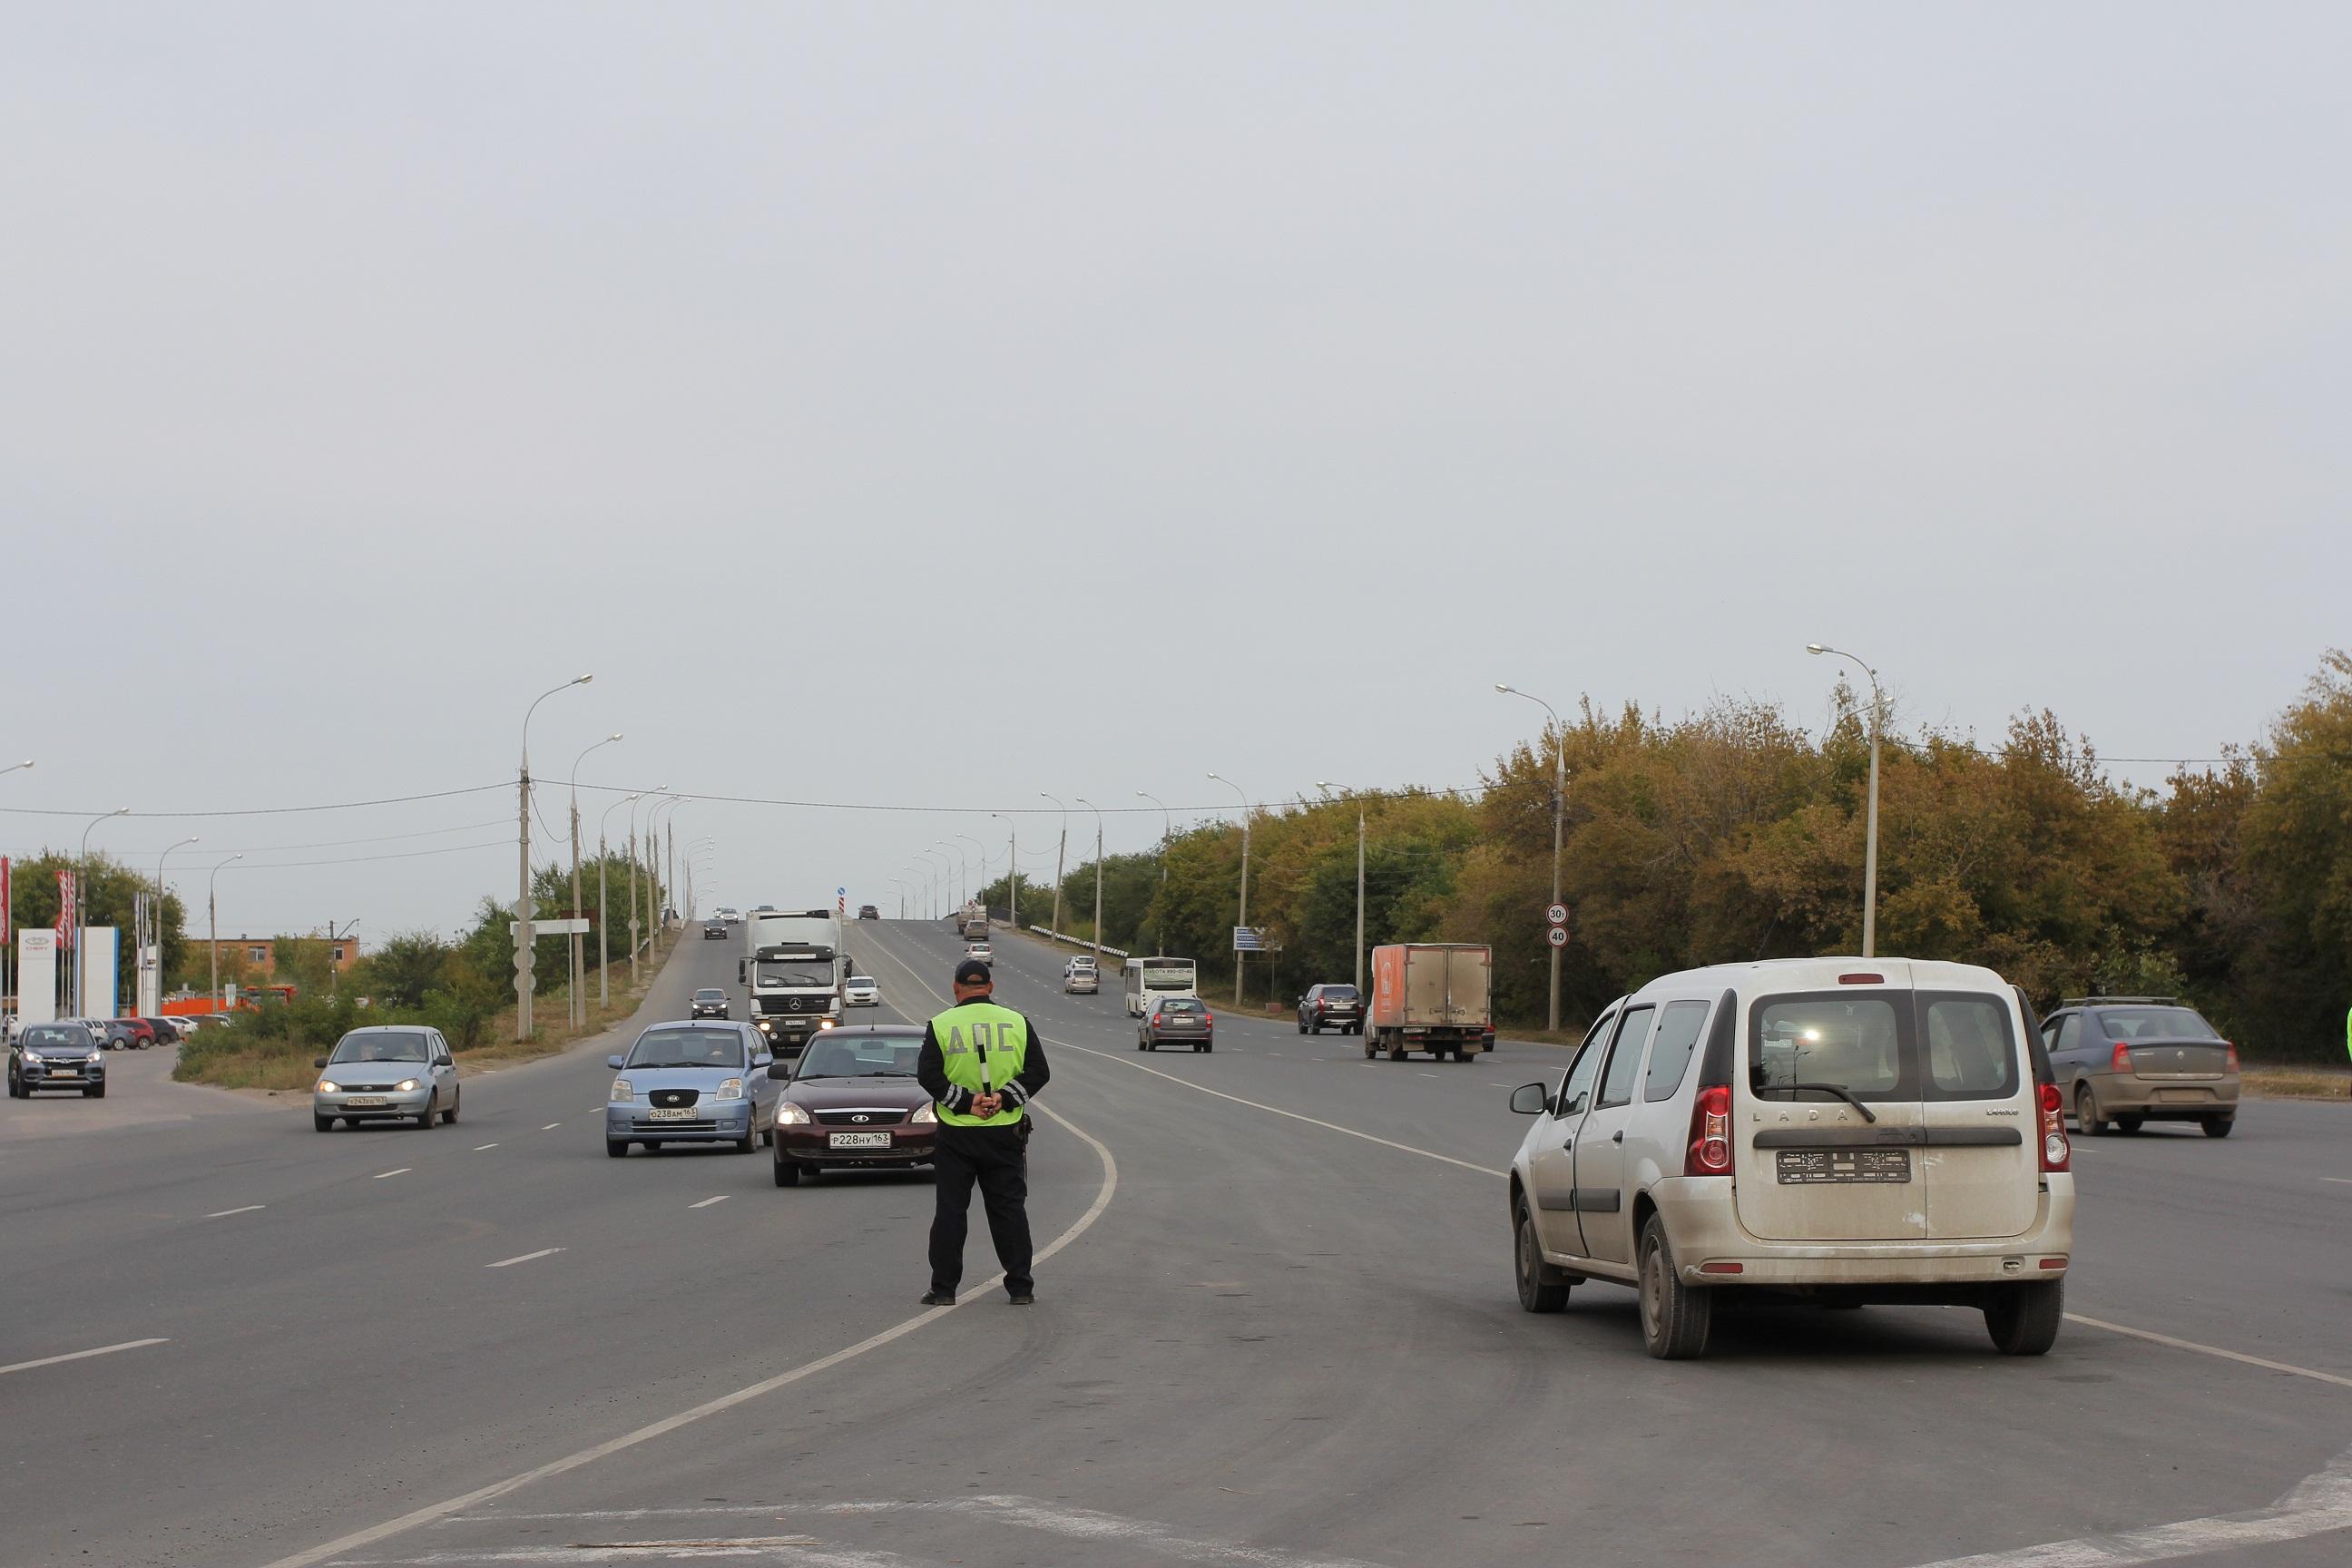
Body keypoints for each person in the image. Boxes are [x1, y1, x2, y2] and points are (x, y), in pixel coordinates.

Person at [916, 957, 1050, 1306]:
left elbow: (929, 1077)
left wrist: (967, 1102)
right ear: (990, 987)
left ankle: (944, 1290)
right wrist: (1003, 1100)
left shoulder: (942, 1024)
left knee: (950, 1211)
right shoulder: (1017, 1022)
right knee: (1009, 1210)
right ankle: (1021, 1287)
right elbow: (1038, 1072)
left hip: (957, 1132)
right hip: (1005, 1132)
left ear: (956, 988)